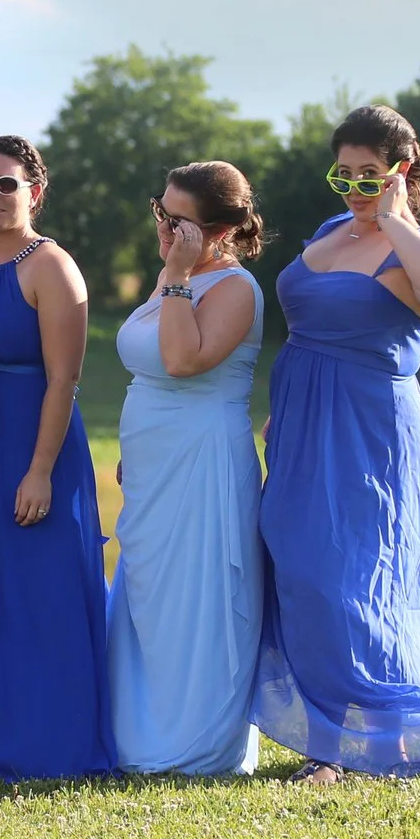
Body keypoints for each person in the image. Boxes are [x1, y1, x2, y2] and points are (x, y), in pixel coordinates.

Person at [256, 105, 420, 780]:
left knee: (351, 577)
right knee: (299, 570)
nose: (352, 189)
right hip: (302, 425)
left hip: (370, 431)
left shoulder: (417, 248)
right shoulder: (331, 229)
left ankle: (350, 749)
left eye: (369, 176)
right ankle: (334, 737)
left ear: (402, 173)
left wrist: (396, 218)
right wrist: (284, 410)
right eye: (342, 174)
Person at [0, 135, 115, 782]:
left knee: (40, 593)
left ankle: (52, 745)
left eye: (5, 184)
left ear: (35, 191)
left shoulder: (52, 267)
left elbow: (63, 379)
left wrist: (40, 469)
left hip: (34, 442)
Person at [107, 162, 266, 777]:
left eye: (180, 223)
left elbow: (181, 360)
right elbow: (146, 364)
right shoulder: (172, 276)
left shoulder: (234, 289)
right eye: (161, 214)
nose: (165, 230)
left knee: (196, 596)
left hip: (204, 461)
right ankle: (138, 730)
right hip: (153, 461)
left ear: (220, 230)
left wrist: (174, 275)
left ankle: (194, 745)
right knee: (150, 592)